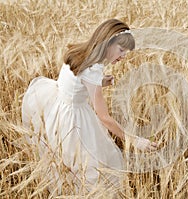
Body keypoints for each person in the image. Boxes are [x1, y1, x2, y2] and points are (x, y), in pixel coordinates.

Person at [21, 19, 157, 194]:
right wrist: (135, 141)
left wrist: (99, 83)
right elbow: (104, 118)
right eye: (121, 50)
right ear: (108, 42)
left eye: (126, 52)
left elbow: (75, 82)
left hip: (59, 109)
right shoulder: (92, 70)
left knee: (68, 164)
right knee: (92, 169)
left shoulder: (79, 52)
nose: (123, 57)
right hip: (74, 122)